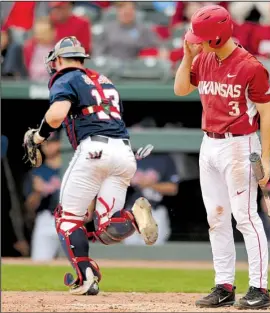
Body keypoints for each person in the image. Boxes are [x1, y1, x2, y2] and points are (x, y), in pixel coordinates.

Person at [23, 36, 158, 296]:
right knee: (106, 228)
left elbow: (56, 114)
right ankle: (133, 218)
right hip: (124, 152)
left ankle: (85, 275)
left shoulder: (66, 77)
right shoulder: (104, 80)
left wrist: (38, 136)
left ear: (59, 59)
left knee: (67, 219)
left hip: (94, 150)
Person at [174, 5, 270, 310]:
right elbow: (180, 89)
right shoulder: (202, 58)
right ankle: (224, 285)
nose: (196, 42)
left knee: (245, 217)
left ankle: (260, 288)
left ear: (217, 37)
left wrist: (266, 158)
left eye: (201, 39)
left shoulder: (250, 66)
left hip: (240, 145)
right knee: (216, 218)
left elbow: (268, 116)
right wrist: (188, 56)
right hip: (210, 143)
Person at [124, 153, 179, 245]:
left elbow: (173, 188)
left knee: (155, 246)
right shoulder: (129, 155)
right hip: (131, 209)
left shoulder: (164, 158)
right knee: (130, 245)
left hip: (155, 209)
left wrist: (149, 184)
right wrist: (134, 181)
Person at [23, 133, 62, 261]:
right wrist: (37, 193)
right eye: (44, 143)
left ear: (60, 143)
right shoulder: (36, 172)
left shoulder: (72, 167)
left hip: (69, 219)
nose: (48, 146)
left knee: (74, 266)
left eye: (52, 142)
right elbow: (29, 208)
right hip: (46, 219)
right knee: (39, 263)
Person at [93, 2, 161, 60]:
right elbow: (98, 52)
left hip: (135, 66)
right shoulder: (108, 29)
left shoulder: (143, 29)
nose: (127, 13)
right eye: (124, 10)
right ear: (118, 11)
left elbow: (158, 48)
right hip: (110, 65)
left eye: (130, 10)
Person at [23, 17, 55, 82]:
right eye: (38, 33)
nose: (40, 36)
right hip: (31, 83)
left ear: (53, 32)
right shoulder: (28, 48)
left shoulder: (59, 49)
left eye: (44, 32)